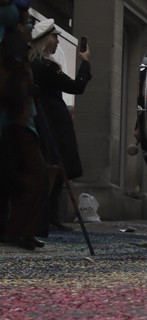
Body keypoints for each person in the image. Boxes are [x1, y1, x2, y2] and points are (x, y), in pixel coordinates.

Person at [29, 17, 90, 232]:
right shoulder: (46, 67)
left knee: (55, 168)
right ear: (45, 40)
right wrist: (85, 63)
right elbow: (76, 87)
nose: (57, 42)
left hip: (45, 120)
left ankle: (49, 215)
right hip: (52, 122)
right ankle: (44, 217)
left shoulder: (34, 65)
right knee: (54, 168)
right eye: (55, 37)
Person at [0, 3, 48, 251]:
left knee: (23, 178)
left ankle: (19, 230)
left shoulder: (17, 49)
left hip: (20, 122)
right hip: (18, 124)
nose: (31, 28)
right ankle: (19, 231)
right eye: (28, 23)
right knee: (36, 176)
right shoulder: (13, 47)